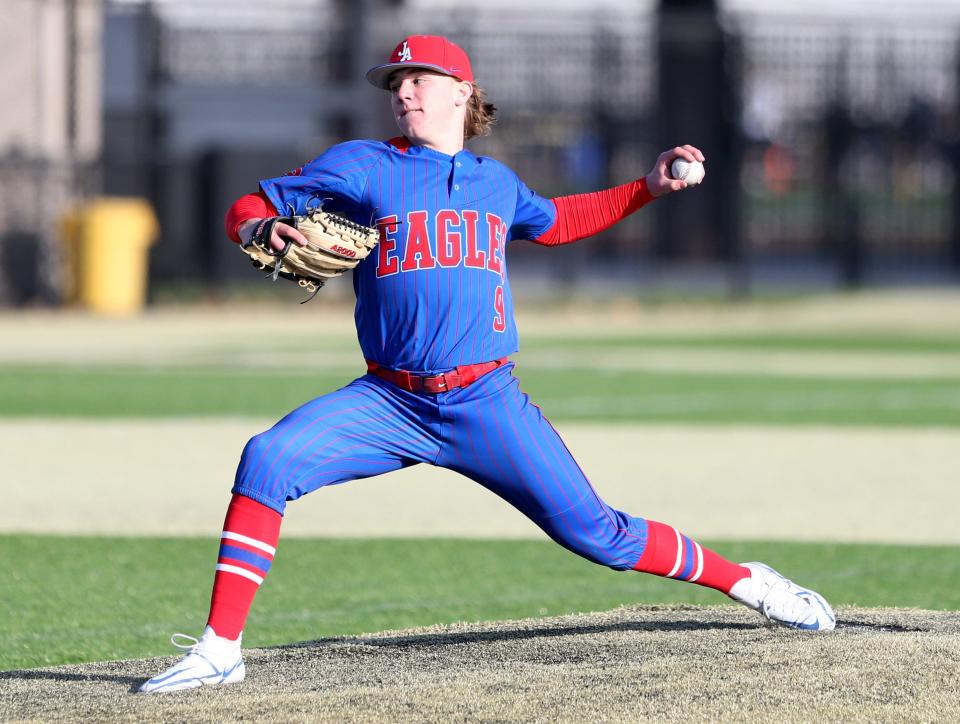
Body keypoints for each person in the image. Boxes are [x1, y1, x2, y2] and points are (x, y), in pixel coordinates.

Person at [139, 35, 834, 694]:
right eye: (395, 83)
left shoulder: (495, 183)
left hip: (486, 402)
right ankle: (220, 651)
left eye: (418, 80)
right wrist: (259, 226)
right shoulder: (361, 165)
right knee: (267, 459)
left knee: (601, 536)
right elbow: (251, 203)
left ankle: (750, 582)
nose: (403, 92)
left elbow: (558, 222)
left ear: (460, 93)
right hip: (391, 402)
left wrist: (646, 189)